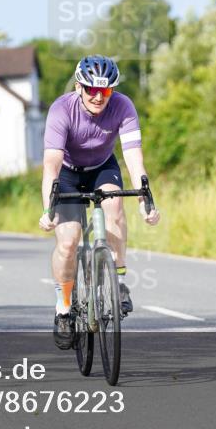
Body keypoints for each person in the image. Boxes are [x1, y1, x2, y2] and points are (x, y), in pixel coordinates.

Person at [39, 56, 160, 350]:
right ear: (79, 86)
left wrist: (145, 198)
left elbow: (133, 157)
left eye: (104, 92)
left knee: (115, 209)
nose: (97, 96)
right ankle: (64, 307)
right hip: (67, 173)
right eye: (91, 89)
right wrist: (48, 209)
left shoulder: (123, 107)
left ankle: (117, 280)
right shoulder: (61, 110)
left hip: (103, 167)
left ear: (112, 91)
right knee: (68, 242)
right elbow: (51, 165)